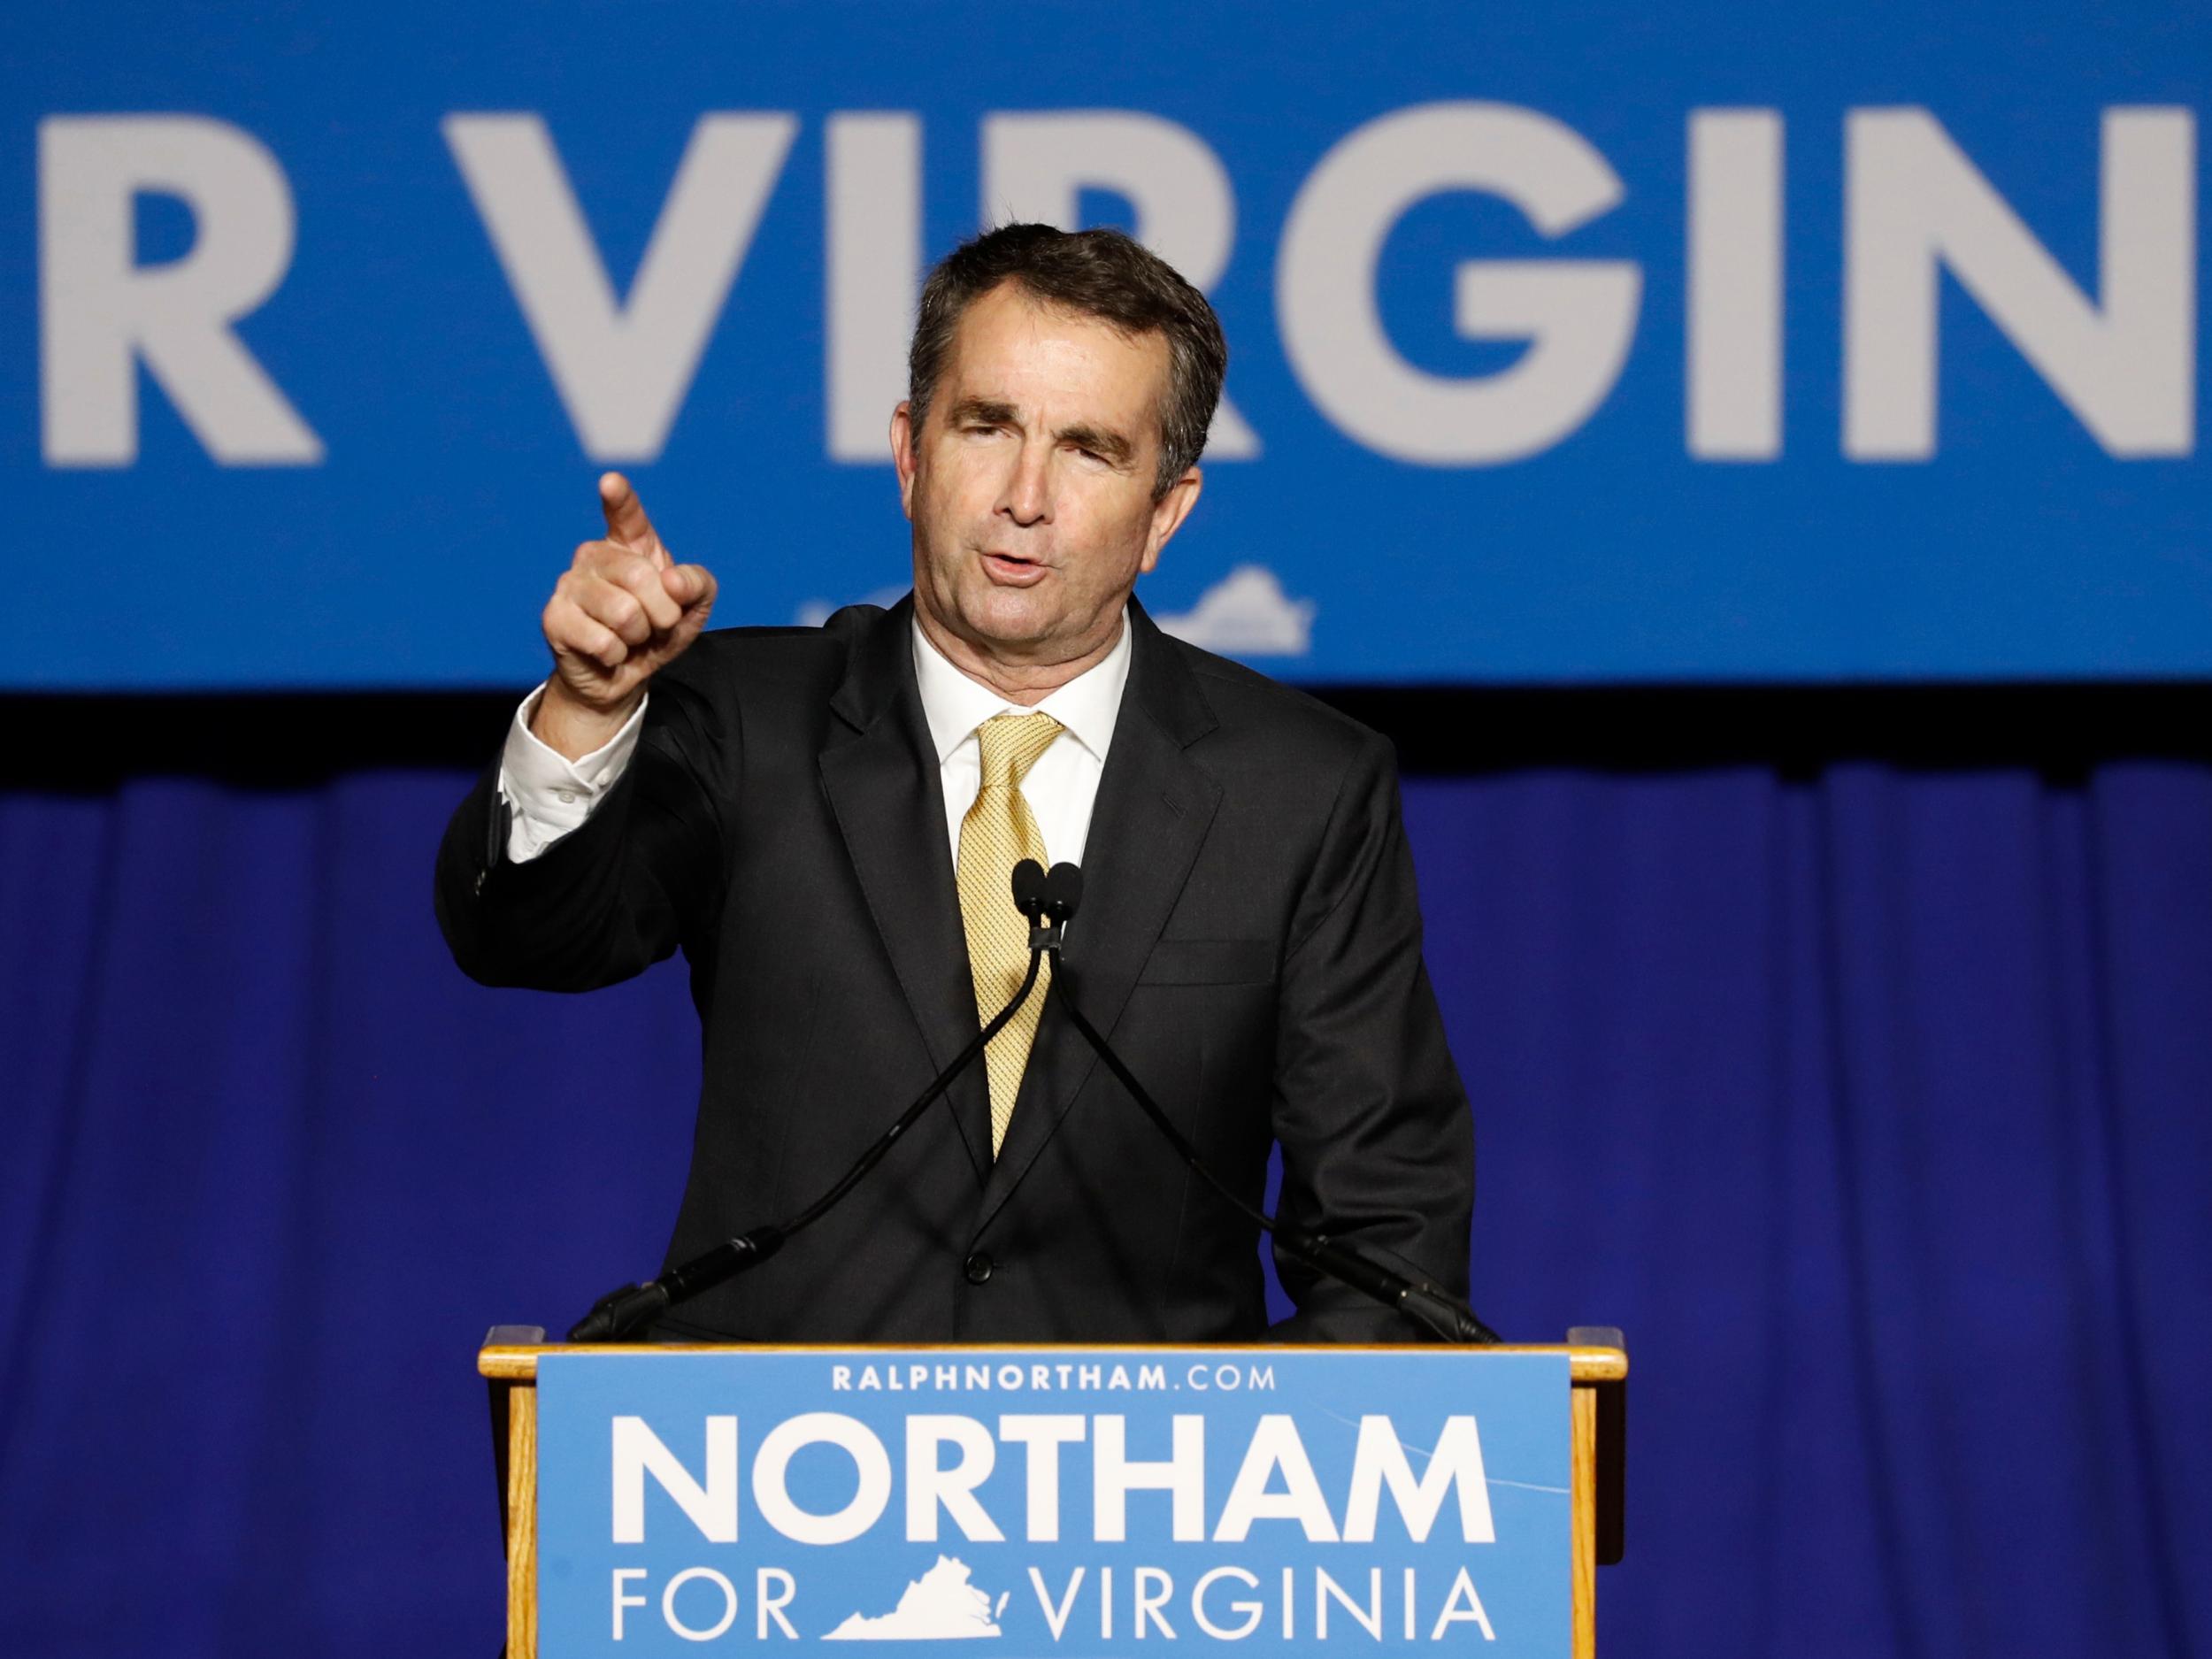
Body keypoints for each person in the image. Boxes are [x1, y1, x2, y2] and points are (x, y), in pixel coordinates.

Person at [435, 224, 1472, 1342]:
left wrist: (1248, 1477)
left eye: (1088, 450)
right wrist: (590, 707)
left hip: (1148, 1501)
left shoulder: (1300, 791)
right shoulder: (747, 718)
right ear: (911, 454)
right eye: (988, 427)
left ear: (1165, 512)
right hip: (774, 1484)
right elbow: (525, 941)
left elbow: (1386, 1239)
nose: (1025, 496)